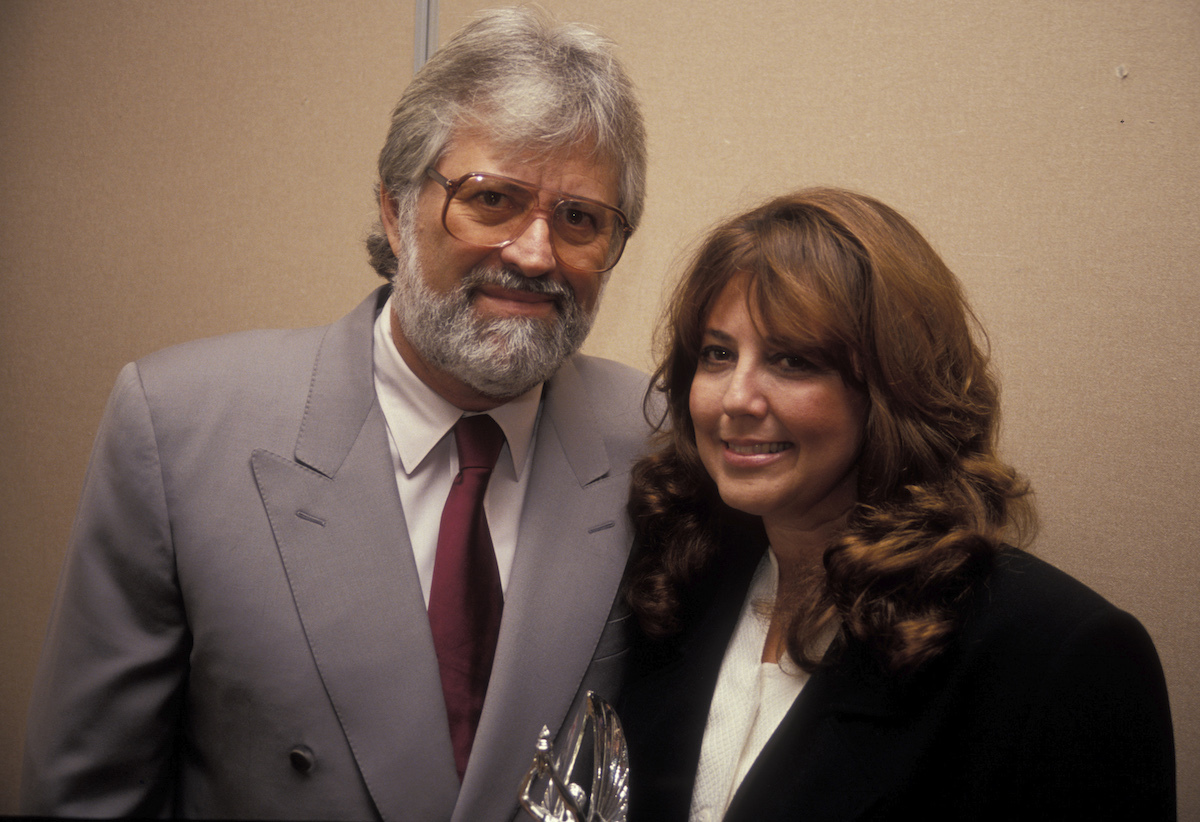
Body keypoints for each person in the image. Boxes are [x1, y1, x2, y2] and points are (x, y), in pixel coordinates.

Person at [22, 8, 649, 821]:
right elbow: (87, 794)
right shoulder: (178, 430)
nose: (535, 252)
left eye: (579, 219)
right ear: (395, 211)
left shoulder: (661, 441)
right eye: (491, 199)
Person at [618, 188, 1175, 821]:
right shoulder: (676, 588)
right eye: (718, 355)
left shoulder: (1061, 656)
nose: (736, 399)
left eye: (793, 360)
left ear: (893, 388)